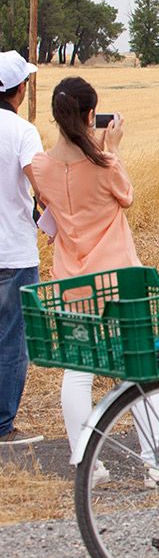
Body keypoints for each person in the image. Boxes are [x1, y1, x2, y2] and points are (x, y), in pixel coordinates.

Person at [30, 77, 159, 484]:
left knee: (78, 370)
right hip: (120, 277)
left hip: (72, 278)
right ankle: (155, 463)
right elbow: (126, 195)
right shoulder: (105, 164)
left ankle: (87, 462)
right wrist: (113, 148)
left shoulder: (40, 167)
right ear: (91, 115)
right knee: (139, 367)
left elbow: (48, 212)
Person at [0, 51, 43, 447]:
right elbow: (40, 186)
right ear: (19, 89)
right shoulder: (22, 131)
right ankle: (3, 426)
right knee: (12, 340)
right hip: (13, 250)